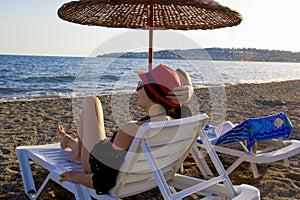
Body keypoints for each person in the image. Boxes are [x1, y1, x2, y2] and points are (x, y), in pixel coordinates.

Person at [57, 64, 193, 194]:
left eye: (140, 86)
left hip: (96, 161)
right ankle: (70, 143)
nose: (136, 90)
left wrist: (77, 177)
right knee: (93, 117)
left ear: (153, 96)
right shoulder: (182, 118)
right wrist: (189, 89)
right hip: (141, 170)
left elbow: (104, 181)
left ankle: (78, 155)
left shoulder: (130, 130)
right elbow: (181, 73)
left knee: (91, 102)